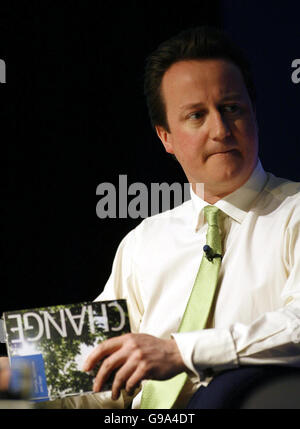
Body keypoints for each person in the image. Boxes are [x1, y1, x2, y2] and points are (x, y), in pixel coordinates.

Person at [4, 26, 300, 409]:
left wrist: (179, 352)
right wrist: (16, 377)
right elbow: (94, 373)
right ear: (166, 138)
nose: (220, 129)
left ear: (254, 114)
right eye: (196, 115)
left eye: (231, 108)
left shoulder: (293, 212)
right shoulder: (144, 242)